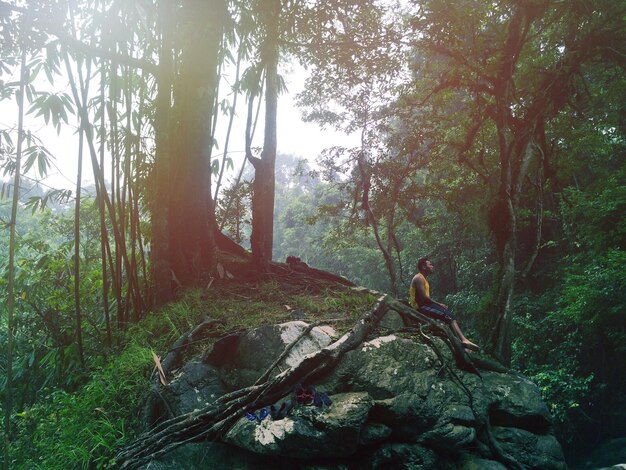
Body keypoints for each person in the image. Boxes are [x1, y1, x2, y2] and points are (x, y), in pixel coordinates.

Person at [410, 257, 480, 352]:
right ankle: (463, 341)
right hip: (420, 307)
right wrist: (439, 304)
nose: (432, 266)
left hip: (425, 305)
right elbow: (424, 298)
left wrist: (439, 306)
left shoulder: (423, 279)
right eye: (429, 264)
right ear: (423, 267)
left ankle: (462, 342)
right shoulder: (418, 278)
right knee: (448, 316)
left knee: (449, 315)